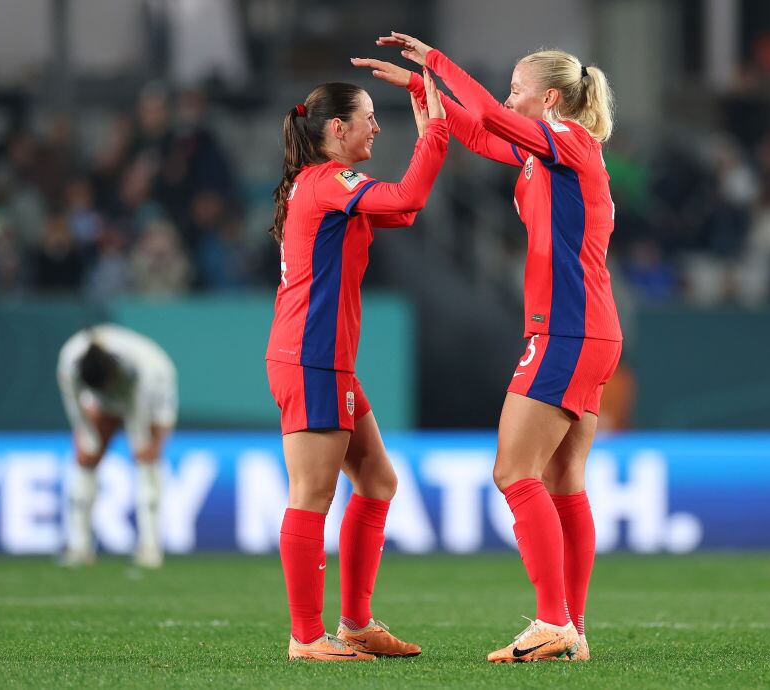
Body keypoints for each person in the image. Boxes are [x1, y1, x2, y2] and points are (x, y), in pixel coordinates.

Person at [357, 33, 622, 662]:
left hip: (567, 329)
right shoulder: (545, 153)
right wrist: (425, 92)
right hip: (587, 328)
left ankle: (554, 622)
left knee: (513, 470)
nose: (507, 98)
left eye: (517, 88)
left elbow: (491, 117)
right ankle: (571, 629)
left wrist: (438, 64)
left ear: (549, 99)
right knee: (562, 479)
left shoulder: (571, 142)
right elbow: (479, 134)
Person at [265, 73, 448, 662]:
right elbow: (409, 199)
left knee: (377, 482)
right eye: (369, 116)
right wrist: (436, 131)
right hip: (312, 357)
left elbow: (402, 213)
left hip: (326, 359)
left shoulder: (320, 185)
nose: (377, 125)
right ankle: (305, 637)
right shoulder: (327, 182)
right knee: (311, 493)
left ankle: (355, 623)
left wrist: (429, 129)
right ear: (336, 130)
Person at [57, 324, 178, 569]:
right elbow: (75, 408)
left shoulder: (145, 369)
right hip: (102, 398)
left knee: (146, 458)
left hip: (153, 392)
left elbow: (141, 420)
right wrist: (88, 437)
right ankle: (79, 545)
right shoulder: (69, 364)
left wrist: (147, 443)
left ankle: (150, 546)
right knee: (86, 458)